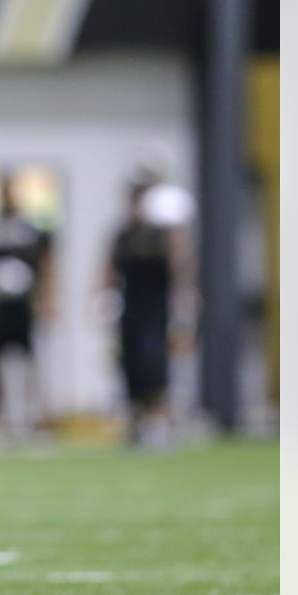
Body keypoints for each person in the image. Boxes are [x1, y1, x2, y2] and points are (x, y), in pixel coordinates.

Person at [105, 171, 197, 447]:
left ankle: (159, 421)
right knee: (130, 365)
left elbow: (180, 268)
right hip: (129, 307)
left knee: (154, 364)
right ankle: (136, 423)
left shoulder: (164, 236)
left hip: (156, 309)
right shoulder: (123, 235)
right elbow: (108, 268)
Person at [0, 172, 52, 438]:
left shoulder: (28, 229)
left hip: (23, 304)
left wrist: (46, 299)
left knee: (30, 363)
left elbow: (44, 264)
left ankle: (34, 422)